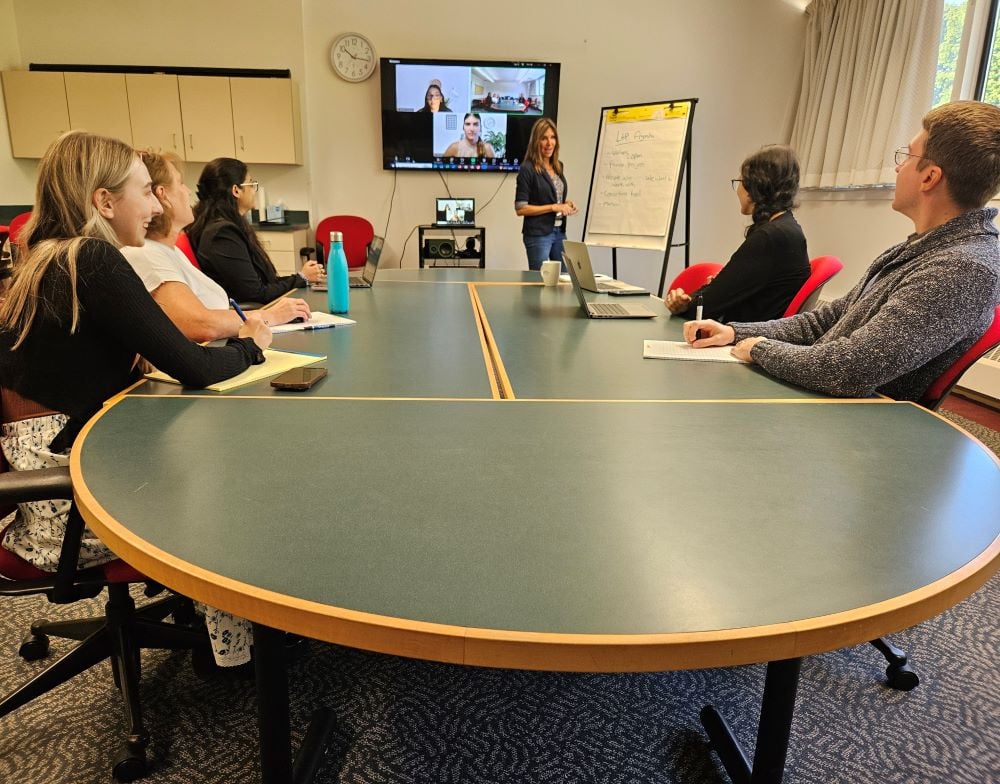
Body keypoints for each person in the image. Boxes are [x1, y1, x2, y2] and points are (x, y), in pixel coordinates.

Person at [0, 131, 271, 667]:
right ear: (104, 201)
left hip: (41, 471)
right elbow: (196, 367)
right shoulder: (93, 259)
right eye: (146, 192)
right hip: (70, 501)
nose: (156, 205)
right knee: (244, 475)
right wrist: (252, 344)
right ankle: (243, 657)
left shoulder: (47, 255)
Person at [684, 101, 1000, 402]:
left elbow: (848, 370)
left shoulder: (962, 268)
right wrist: (735, 332)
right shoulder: (920, 248)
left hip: (851, 424)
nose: (897, 167)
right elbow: (826, 320)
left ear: (930, 177)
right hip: (820, 398)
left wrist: (759, 348)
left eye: (906, 156)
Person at [122, 150, 311, 341]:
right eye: (180, 183)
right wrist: (271, 316)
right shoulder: (147, 254)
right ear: (163, 196)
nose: (187, 191)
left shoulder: (171, 251)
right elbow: (202, 325)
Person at [666, 145, 810, 323]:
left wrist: (682, 304)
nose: (738, 190)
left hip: (740, 341)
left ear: (756, 186)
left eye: (740, 182)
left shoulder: (772, 237)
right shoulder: (786, 229)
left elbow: (707, 306)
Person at [187, 158, 323, 304]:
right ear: (236, 190)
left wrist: (301, 277)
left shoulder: (228, 225)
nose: (254, 190)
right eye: (251, 184)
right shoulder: (222, 234)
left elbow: (264, 283)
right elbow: (256, 294)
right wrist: (301, 278)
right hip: (251, 314)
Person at [514, 118, 578, 271]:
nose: (549, 143)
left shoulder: (558, 166)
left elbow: (552, 196)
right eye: (544, 138)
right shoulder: (527, 168)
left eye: (552, 137)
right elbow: (520, 208)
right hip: (538, 234)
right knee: (539, 282)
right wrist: (554, 207)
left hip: (559, 232)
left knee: (566, 279)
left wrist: (566, 203)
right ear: (536, 141)